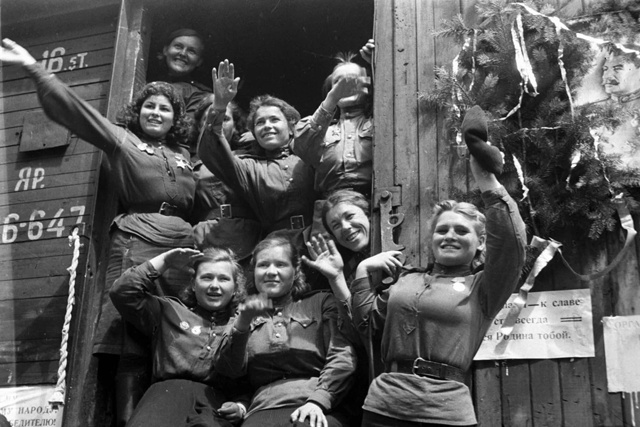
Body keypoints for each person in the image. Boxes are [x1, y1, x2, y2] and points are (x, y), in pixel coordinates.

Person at [0, 38, 197, 425]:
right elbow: (77, 111)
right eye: (149, 106)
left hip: (180, 248)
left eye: (164, 109)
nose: (156, 113)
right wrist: (35, 69)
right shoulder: (122, 140)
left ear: (176, 118)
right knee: (130, 338)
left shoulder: (184, 156)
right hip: (138, 241)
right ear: (138, 111)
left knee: (173, 333)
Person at [316, 106, 526, 425]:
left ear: (481, 242)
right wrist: (360, 273)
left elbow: (511, 243)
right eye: (442, 230)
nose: (449, 236)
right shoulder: (407, 279)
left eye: (461, 231)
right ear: (432, 239)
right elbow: (367, 325)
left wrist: (487, 180)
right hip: (384, 405)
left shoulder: (485, 287)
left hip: (445, 410)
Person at [214, 235, 356, 427]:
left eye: (280, 265)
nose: (271, 272)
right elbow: (229, 370)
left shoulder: (321, 303)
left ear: (295, 271)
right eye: (263, 265)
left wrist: (318, 401)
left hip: (318, 405)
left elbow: (343, 356)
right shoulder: (244, 313)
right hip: (263, 410)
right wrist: (243, 323)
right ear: (253, 272)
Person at [110, 247, 249, 427]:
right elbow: (122, 292)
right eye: (207, 277)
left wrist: (240, 406)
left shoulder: (242, 326)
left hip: (214, 409)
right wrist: (165, 261)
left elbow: (249, 381)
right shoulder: (169, 311)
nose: (215, 285)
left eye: (223, 279)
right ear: (193, 284)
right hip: (164, 401)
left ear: (235, 288)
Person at [198, 60, 317, 237]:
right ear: (254, 133)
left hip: (318, 237)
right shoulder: (248, 168)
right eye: (260, 123)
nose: (267, 126)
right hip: (277, 243)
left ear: (292, 126)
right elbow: (212, 151)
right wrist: (219, 106)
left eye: (274, 119)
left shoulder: (310, 156)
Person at [293, 40, 375, 200]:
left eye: (354, 80)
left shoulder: (377, 123)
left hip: (374, 202)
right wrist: (332, 98)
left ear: (366, 86)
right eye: (338, 82)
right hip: (331, 206)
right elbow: (302, 148)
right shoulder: (322, 130)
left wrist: (378, 65)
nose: (346, 86)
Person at [192, 101, 261, 269]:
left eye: (225, 119)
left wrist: (257, 137)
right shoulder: (189, 162)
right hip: (207, 235)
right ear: (200, 125)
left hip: (247, 236)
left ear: (236, 126)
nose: (218, 122)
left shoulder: (252, 157)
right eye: (210, 118)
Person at [155, 28, 212, 157]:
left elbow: (186, 134)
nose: (183, 53)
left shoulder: (200, 95)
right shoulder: (144, 79)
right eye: (178, 46)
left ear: (199, 61)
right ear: (165, 50)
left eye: (191, 51)